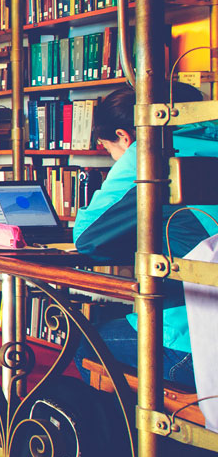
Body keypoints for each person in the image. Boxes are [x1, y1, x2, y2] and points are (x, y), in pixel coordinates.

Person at [72, 81, 218, 385]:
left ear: (124, 137)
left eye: (110, 149)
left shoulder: (150, 153)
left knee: (87, 347)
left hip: (196, 346)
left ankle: (139, 433)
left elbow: (86, 239)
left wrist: (127, 161)